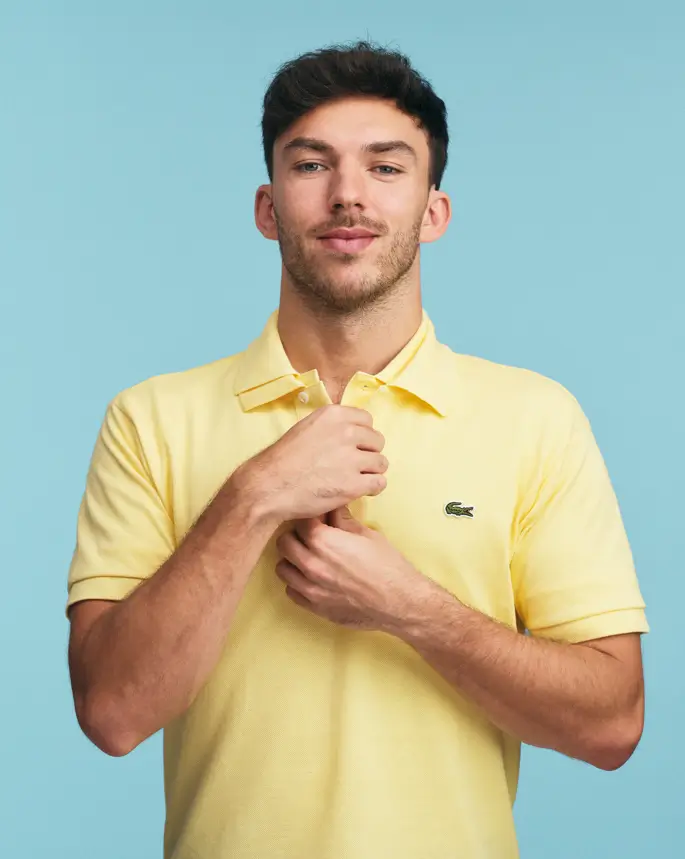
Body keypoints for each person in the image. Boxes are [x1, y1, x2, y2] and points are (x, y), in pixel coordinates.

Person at [66, 41, 648, 859]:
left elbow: (613, 722)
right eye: (311, 166)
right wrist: (253, 495)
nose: (347, 196)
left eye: (385, 167)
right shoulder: (149, 419)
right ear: (267, 208)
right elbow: (114, 713)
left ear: (432, 211)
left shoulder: (535, 417)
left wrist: (409, 607)